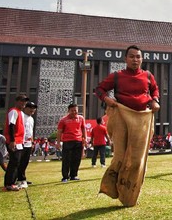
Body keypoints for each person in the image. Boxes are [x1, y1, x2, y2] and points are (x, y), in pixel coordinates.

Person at [95, 44, 160, 207]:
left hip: (142, 119)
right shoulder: (117, 76)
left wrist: (155, 101)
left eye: (138, 57)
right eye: (132, 56)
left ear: (142, 59)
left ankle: (129, 195)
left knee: (137, 160)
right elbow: (100, 89)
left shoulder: (148, 76)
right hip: (122, 117)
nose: (135, 59)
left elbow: (155, 91)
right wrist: (106, 99)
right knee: (120, 158)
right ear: (125, 59)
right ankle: (112, 188)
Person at [56, 103, 86, 183]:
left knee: (76, 159)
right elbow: (59, 132)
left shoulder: (81, 118)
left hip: (78, 141)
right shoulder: (63, 120)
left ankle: (73, 175)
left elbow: (83, 128)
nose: (74, 112)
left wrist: (84, 138)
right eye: (72, 111)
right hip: (67, 141)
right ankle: (65, 177)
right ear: (68, 111)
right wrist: (58, 142)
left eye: (75, 111)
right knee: (66, 159)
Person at [16, 101, 37, 189]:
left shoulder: (31, 118)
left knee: (25, 162)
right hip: (21, 143)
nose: (32, 110)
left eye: (34, 108)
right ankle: (20, 179)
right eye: (30, 108)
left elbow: (30, 132)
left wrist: (32, 142)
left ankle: (21, 178)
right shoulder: (21, 116)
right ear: (25, 108)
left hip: (28, 143)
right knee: (19, 162)